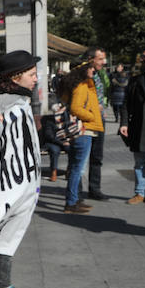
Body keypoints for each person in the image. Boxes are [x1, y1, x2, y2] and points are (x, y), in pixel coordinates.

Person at [0, 50, 41, 288]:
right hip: (10, 186)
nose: (36, 78)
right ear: (16, 77)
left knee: (5, 234)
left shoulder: (14, 104)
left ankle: (2, 287)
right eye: (31, 74)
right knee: (0, 232)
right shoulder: (11, 109)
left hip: (16, 185)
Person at [61, 60, 102, 214]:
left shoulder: (73, 84)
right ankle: (71, 203)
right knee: (77, 169)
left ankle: (74, 200)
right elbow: (75, 108)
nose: (93, 70)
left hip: (75, 131)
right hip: (84, 130)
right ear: (84, 70)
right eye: (90, 68)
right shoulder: (82, 86)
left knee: (73, 167)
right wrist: (91, 115)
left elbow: (67, 103)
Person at [119, 46, 145, 204]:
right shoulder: (135, 80)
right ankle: (139, 193)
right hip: (139, 127)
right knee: (139, 163)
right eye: (141, 57)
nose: (141, 59)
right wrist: (124, 123)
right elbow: (125, 104)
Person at [83, 47, 108, 200]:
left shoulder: (99, 74)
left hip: (99, 120)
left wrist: (102, 109)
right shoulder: (82, 75)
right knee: (80, 159)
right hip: (85, 120)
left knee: (97, 156)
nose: (104, 62)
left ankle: (94, 189)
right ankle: (74, 194)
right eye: (100, 59)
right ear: (91, 59)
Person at [40, 103, 70, 181]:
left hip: (63, 141)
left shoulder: (65, 120)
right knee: (55, 150)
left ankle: (69, 170)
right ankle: (54, 172)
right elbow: (49, 136)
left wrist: (68, 140)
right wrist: (62, 143)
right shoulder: (49, 121)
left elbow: (68, 131)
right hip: (51, 142)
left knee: (71, 148)